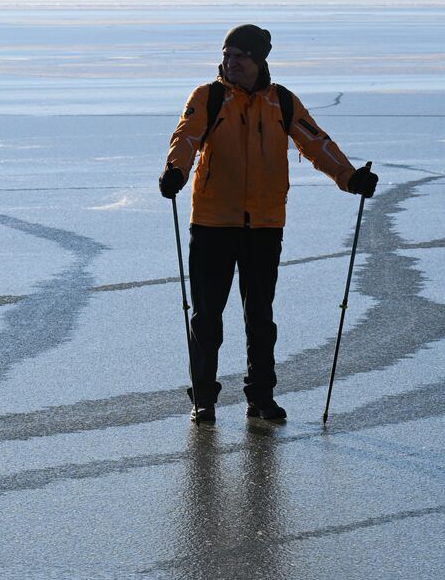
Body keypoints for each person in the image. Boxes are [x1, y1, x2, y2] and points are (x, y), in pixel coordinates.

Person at [160, 24, 377, 425]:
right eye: (228, 54)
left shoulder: (283, 103)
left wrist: (350, 178)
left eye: (241, 55)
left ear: (259, 61)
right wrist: (176, 172)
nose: (232, 62)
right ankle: (203, 399)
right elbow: (186, 137)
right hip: (212, 224)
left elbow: (316, 143)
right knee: (207, 318)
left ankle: (261, 397)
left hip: (264, 225)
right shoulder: (208, 98)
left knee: (260, 318)